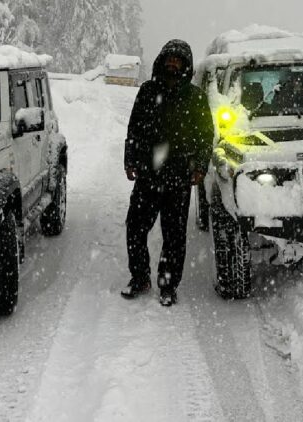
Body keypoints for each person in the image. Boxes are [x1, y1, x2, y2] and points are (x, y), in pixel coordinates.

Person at [121, 39, 214, 306]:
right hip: (148, 175)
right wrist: (130, 160)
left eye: (178, 60)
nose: (173, 64)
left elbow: (205, 136)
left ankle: (168, 285)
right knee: (136, 229)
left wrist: (199, 166)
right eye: (169, 59)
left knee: (174, 237)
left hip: (179, 177)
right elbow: (134, 129)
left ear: (186, 65)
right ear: (162, 62)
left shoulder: (195, 97)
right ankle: (140, 278)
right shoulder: (148, 91)